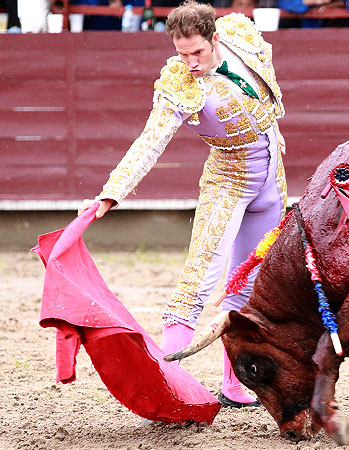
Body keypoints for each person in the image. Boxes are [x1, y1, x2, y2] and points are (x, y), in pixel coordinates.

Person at [78, 0, 287, 408]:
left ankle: (235, 384)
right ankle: (168, 388)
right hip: (227, 183)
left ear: (215, 38)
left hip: (273, 184)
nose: (190, 62)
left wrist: (272, 128)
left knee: (247, 286)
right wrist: (112, 191)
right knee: (196, 285)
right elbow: (150, 142)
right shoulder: (178, 83)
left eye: (198, 52)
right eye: (181, 53)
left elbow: (264, 84)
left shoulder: (241, 35)